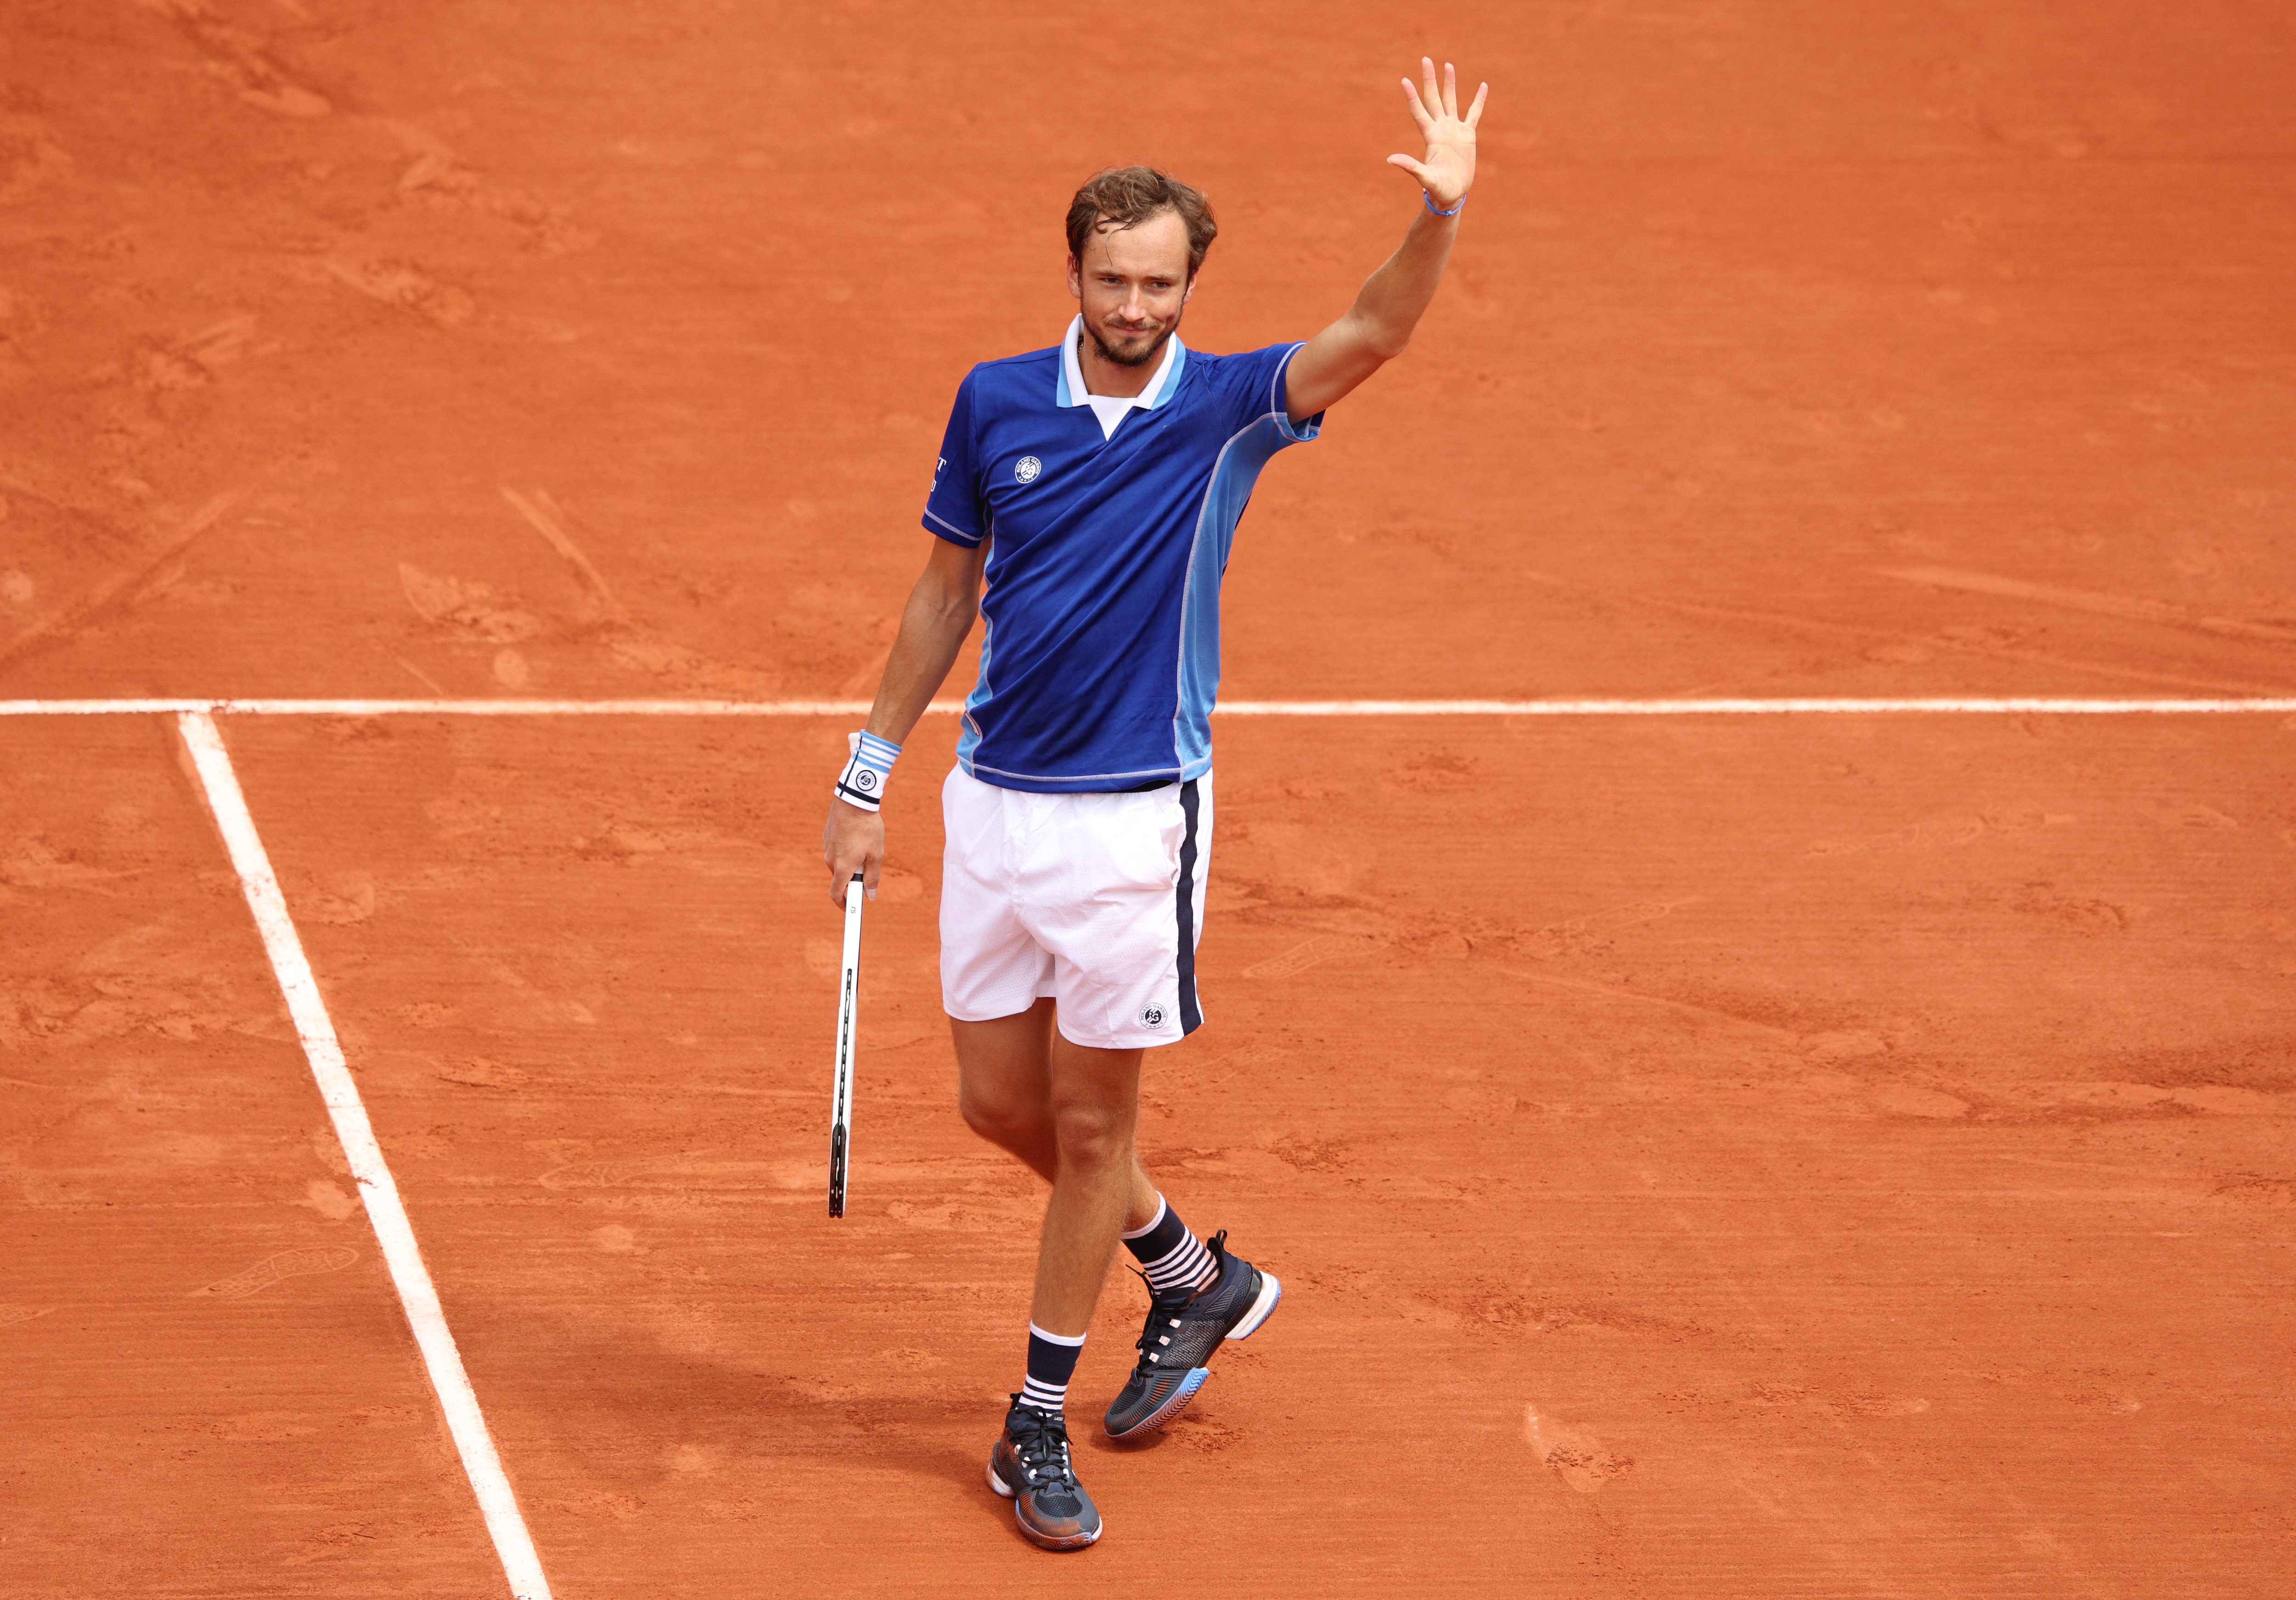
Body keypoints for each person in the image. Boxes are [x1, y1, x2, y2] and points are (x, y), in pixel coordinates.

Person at [821, 57, 1488, 1551]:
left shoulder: (1230, 409)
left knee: (1084, 1121)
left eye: (1163, 284)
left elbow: (1375, 327)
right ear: (1076, 271)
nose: (1136, 308)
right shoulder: (996, 403)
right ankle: (1195, 1275)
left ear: (1193, 283)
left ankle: (1038, 1422)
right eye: (1115, 281)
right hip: (994, 808)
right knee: (997, 1107)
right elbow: (946, 592)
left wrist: (1441, 211)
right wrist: (868, 772)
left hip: (1135, 828)